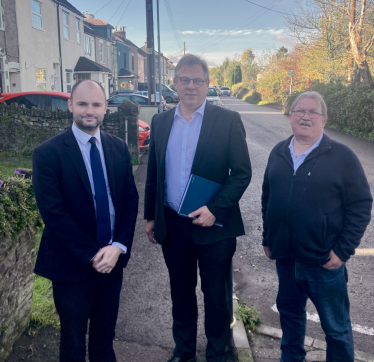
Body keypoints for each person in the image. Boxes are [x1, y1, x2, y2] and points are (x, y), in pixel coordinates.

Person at [144, 54, 252, 362]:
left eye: (198, 81)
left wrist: (216, 209)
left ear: (207, 84)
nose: (191, 86)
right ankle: (184, 352)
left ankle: (219, 353)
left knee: (216, 295)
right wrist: (151, 216)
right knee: (181, 292)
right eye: (185, 80)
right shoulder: (161, 121)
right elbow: (155, 171)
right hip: (173, 224)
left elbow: (242, 173)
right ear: (175, 82)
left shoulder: (228, 120)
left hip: (213, 227)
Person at [261, 91, 372, 362]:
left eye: (313, 112)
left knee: (336, 329)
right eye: (299, 110)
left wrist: (343, 251)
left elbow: (361, 204)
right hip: (286, 258)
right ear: (290, 115)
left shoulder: (342, 156)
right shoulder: (278, 151)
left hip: (324, 263)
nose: (305, 116)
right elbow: (268, 197)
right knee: (290, 320)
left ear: (324, 120)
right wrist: (268, 237)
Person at [32, 80, 139, 362]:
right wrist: (93, 254)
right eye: (82, 104)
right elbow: (53, 213)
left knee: (105, 338)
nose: (88, 111)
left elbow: (130, 200)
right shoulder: (48, 153)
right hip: (72, 263)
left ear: (105, 108)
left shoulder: (118, 148)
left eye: (95, 104)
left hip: (112, 262)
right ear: (70, 105)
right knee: (73, 341)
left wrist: (118, 246)